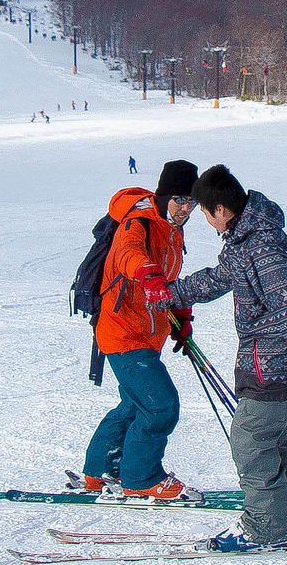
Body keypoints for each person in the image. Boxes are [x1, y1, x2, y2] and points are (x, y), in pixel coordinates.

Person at [163, 164, 287, 552]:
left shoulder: (261, 247)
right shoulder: (247, 241)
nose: (206, 221)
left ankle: (266, 527)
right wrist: (170, 294)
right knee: (281, 443)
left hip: (276, 366)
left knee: (250, 442)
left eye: (206, 213)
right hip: (278, 364)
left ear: (221, 210)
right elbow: (216, 278)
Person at [82, 159, 200, 501]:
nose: (185, 209)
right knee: (161, 405)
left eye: (191, 202)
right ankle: (141, 477)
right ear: (164, 197)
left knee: (134, 404)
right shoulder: (138, 223)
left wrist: (181, 321)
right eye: (179, 200)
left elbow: (170, 280)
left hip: (147, 333)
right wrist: (148, 274)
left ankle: (98, 471)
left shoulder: (172, 230)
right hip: (122, 332)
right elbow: (130, 256)